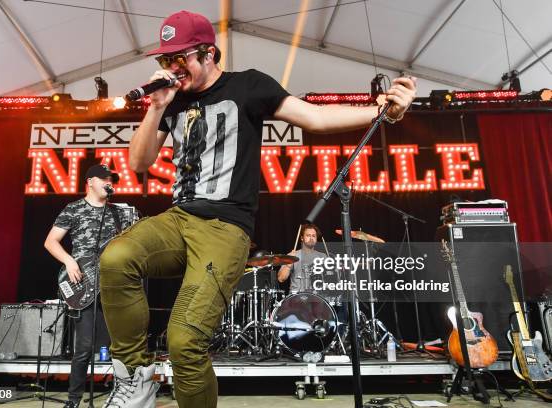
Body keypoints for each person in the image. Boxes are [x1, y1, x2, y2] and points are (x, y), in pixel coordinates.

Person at [99, 9, 416, 408]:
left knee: (184, 341)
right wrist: (157, 105)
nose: (172, 67)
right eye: (165, 59)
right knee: (116, 257)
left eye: (180, 58)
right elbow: (139, 163)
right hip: (179, 217)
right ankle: (135, 376)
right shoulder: (172, 102)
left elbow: (314, 117)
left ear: (209, 53)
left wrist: (380, 110)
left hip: (225, 226)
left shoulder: (248, 85)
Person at [44, 164, 129, 408]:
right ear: (90, 181)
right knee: (83, 348)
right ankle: (73, 401)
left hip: (112, 284)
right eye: (104, 178)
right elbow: (50, 242)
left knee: (120, 345)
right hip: (83, 284)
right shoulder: (74, 209)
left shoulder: (118, 213)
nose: (109, 182)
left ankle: (121, 396)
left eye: (111, 179)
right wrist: (69, 261)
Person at [277, 224, 326, 293]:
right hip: (296, 297)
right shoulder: (292, 255)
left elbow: (330, 280)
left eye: (313, 236)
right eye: (308, 235)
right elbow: (281, 278)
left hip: (318, 297)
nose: (311, 238)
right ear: (302, 238)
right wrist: (288, 265)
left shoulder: (323, 256)